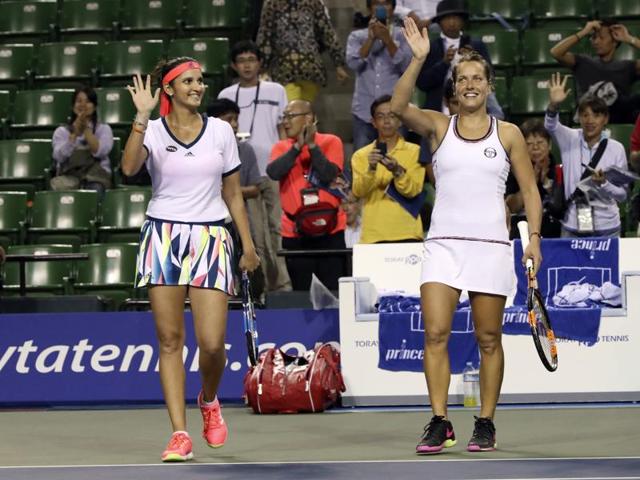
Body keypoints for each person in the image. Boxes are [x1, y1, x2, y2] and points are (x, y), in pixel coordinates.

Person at [391, 18, 542, 453]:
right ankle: (440, 420)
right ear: (454, 87)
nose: (471, 84)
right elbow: (399, 108)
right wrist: (419, 58)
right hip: (443, 246)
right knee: (435, 333)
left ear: (489, 85)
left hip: (491, 248)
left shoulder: (509, 133)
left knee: (488, 339)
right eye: (463, 79)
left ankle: (486, 422)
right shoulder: (439, 127)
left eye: (478, 78)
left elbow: (529, 190)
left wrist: (533, 238)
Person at [122, 58, 260, 462]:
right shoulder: (153, 130)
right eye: (188, 81)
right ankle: (179, 433)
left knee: (213, 344)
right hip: (163, 236)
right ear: (169, 89)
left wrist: (248, 246)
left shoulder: (220, 131)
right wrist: (141, 118)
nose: (198, 86)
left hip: (211, 237)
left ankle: (210, 398)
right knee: (169, 341)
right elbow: (129, 167)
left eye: (200, 80)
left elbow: (233, 193)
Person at [217, 40, 291, 293]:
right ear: (233, 66)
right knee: (253, 234)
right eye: (242, 61)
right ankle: (257, 288)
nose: (247, 65)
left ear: (260, 63)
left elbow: (283, 127)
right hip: (238, 169)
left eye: (252, 59)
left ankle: (280, 287)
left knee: (276, 230)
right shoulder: (226, 95)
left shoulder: (276, 90)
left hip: (271, 168)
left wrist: (284, 158)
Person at [266, 100, 347, 291]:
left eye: (291, 116)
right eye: (284, 117)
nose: (285, 122)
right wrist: (296, 148)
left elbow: (328, 174)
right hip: (295, 232)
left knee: (335, 295)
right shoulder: (281, 147)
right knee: (302, 295)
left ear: (309, 118)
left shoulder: (331, 141)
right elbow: (273, 172)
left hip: (331, 231)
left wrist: (311, 146)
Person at [544, 73, 629, 238]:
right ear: (579, 118)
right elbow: (550, 124)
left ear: (605, 119)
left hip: (607, 228)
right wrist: (554, 104)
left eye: (596, 115)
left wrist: (604, 183)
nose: (590, 120)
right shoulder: (568, 138)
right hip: (572, 226)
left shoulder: (616, 149)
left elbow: (623, 195)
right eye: (585, 115)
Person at [351, 95, 424, 243]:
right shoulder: (361, 155)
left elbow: (413, 191)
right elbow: (358, 192)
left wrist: (397, 171)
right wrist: (371, 168)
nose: (386, 121)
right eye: (380, 116)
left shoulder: (415, 151)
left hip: (408, 232)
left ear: (400, 121)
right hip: (373, 235)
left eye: (391, 116)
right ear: (373, 122)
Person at [415, 0, 503, 119]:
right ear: (439, 23)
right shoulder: (431, 47)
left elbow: (490, 76)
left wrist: (474, 59)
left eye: (455, 18)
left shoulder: (476, 44)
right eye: (447, 19)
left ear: (462, 21)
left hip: (473, 107)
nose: (451, 23)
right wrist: (444, 63)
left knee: (497, 115)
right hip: (437, 112)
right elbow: (422, 83)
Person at [346, 0, 412, 150]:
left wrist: (388, 40)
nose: (381, 7)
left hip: (395, 112)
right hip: (364, 111)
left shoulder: (403, 35)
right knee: (362, 162)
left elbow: (407, 67)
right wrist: (371, 39)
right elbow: (353, 64)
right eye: (376, 3)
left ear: (393, 8)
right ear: (370, 8)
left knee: (398, 160)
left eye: (386, 3)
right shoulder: (357, 36)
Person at [256, 0, 350, 102]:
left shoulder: (272, 3)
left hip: (284, 69)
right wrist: (338, 63)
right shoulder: (313, 2)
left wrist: (262, 67)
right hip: (311, 67)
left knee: (292, 111)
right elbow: (327, 32)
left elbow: (265, 36)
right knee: (304, 111)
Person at [549, 19, 640, 124]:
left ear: (615, 41)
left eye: (601, 38)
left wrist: (629, 39)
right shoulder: (583, 62)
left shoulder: (627, 66)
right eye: (594, 37)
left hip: (617, 122)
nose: (596, 42)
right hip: (587, 121)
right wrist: (583, 32)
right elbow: (556, 53)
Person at [505, 118, 561, 238]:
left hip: (552, 229)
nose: (535, 148)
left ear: (549, 144)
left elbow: (559, 207)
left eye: (540, 143)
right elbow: (511, 206)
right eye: (529, 144)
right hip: (520, 228)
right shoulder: (512, 168)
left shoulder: (559, 169)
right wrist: (532, 181)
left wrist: (546, 181)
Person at [51, 86, 114, 193]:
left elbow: (100, 152)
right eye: (79, 101)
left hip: (96, 176)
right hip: (69, 176)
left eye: (88, 101)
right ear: (73, 106)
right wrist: (74, 134)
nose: (83, 105)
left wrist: (86, 129)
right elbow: (59, 157)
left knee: (95, 190)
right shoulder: (61, 131)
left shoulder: (104, 129)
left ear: (94, 107)